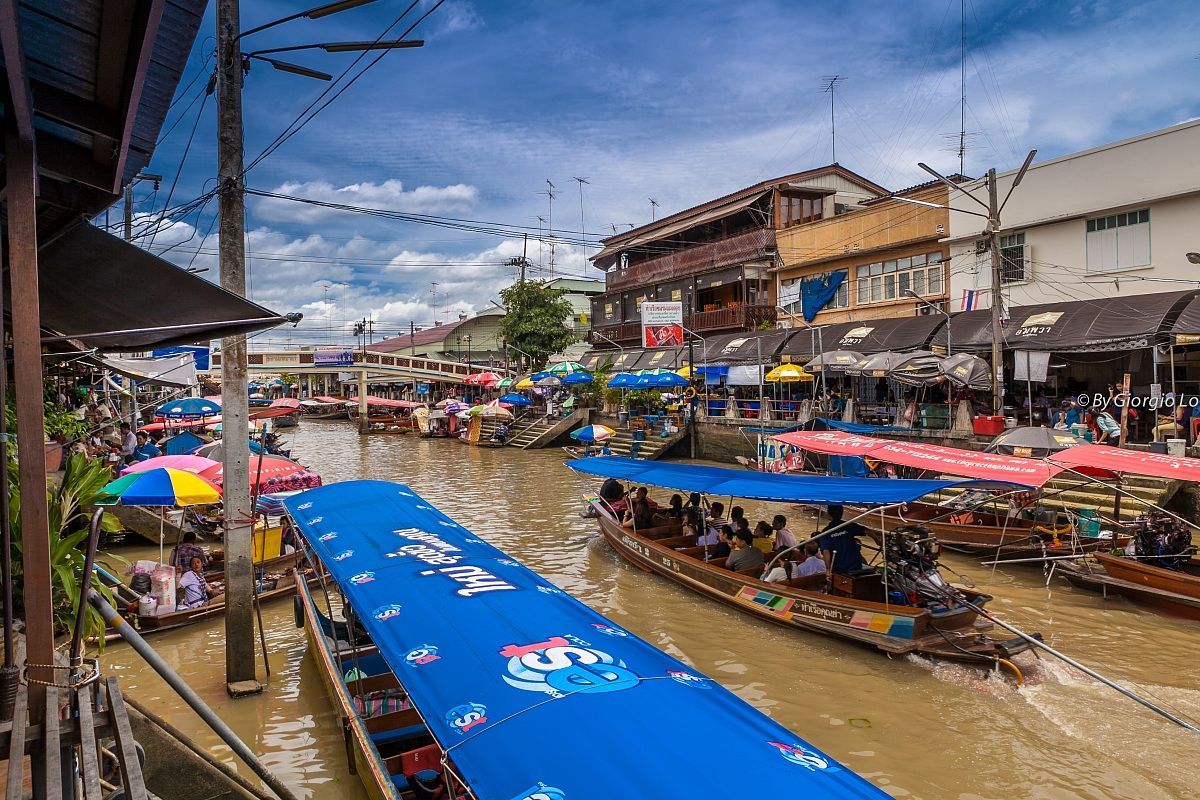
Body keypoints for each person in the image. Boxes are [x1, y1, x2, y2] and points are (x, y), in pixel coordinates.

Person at [818, 505, 876, 576]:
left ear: (828, 513)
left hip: (840, 569)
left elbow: (826, 552)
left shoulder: (825, 532)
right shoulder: (848, 526)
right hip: (856, 565)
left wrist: (827, 569)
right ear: (842, 512)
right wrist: (878, 541)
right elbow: (868, 531)